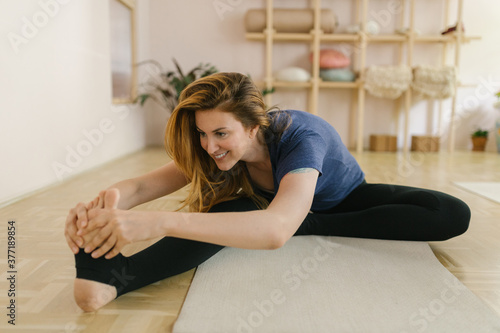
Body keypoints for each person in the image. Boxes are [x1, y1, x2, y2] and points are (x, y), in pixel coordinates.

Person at [65, 72, 470, 312]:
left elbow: (275, 233)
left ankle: (306, 222)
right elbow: (138, 186)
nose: (209, 146)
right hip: (266, 207)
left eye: (221, 133)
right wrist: (98, 209)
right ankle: (111, 280)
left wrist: (150, 222)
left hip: (344, 199)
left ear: (254, 126)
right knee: (221, 219)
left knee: (449, 212)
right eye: (203, 133)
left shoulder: (302, 137)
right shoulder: (215, 149)